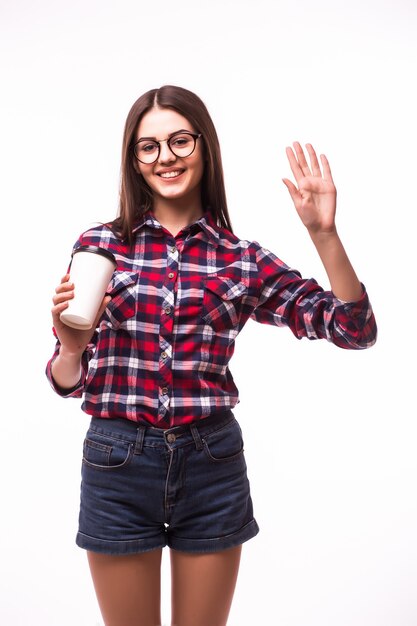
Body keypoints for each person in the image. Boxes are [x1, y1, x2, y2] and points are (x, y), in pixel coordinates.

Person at [46, 85, 377, 626]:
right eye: (147, 147)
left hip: (211, 464)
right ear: (133, 159)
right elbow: (66, 381)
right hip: (117, 461)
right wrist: (72, 347)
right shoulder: (100, 245)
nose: (165, 157)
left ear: (204, 146)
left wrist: (324, 234)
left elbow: (352, 328)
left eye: (179, 140)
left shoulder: (241, 260)